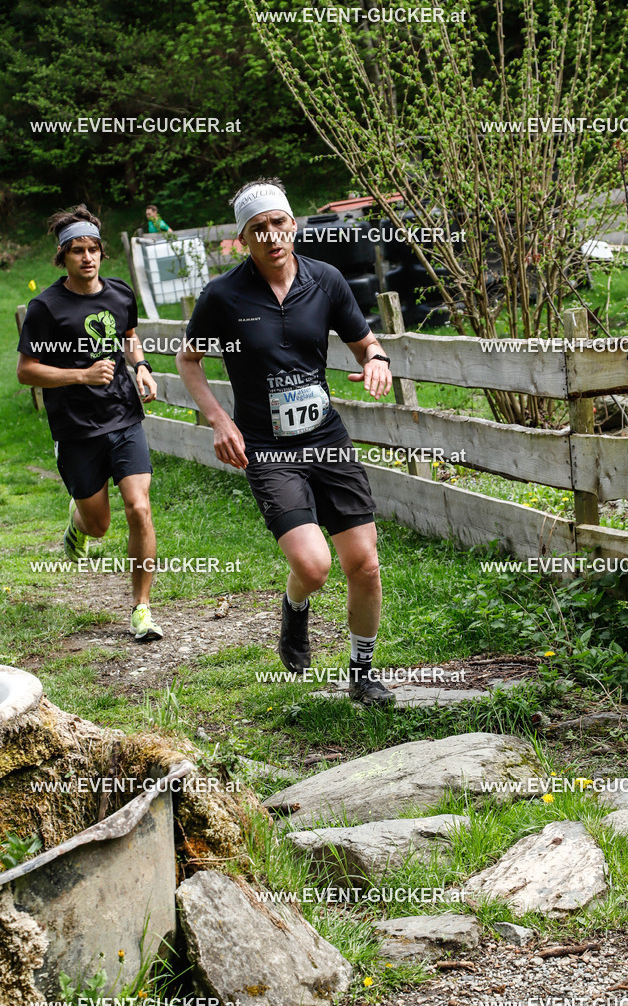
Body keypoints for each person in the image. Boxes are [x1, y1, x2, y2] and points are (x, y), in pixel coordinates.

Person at [176, 177, 395, 705]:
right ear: (243, 240)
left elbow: (367, 343)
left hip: (325, 437)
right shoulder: (224, 296)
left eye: (278, 223)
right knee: (314, 567)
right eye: (258, 229)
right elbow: (188, 360)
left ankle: (362, 673)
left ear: (292, 224)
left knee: (364, 564)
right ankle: (295, 611)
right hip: (268, 449)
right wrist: (218, 420)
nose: (272, 236)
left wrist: (378, 363)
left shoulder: (325, 281)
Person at [17, 204, 163, 641]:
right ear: (63, 256)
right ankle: (79, 523)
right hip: (76, 428)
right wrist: (80, 375)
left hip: (123, 417)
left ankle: (141, 609)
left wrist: (141, 367)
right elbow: (26, 371)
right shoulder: (47, 307)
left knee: (139, 507)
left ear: (102, 253)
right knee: (99, 524)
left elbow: (129, 338)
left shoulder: (119, 293)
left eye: (93, 249)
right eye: (77, 250)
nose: (87, 257)